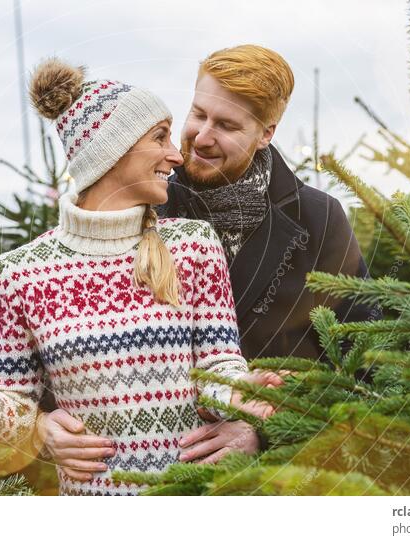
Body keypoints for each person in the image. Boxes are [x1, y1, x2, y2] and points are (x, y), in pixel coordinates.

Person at [0, 58, 280, 496]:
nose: (176, 155)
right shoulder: (21, 273)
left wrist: (242, 392)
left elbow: (217, 368)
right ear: (113, 151)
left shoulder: (193, 245)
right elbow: (17, 405)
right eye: (159, 138)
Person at [156, 44, 378, 462]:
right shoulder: (146, 203)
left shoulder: (319, 219)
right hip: (152, 473)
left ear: (266, 133)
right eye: (199, 113)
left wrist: (270, 430)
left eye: (226, 125)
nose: (202, 137)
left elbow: (367, 361)